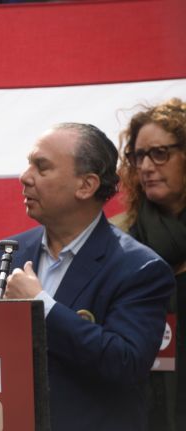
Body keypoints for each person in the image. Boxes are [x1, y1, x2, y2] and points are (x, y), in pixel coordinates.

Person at [0, 122, 175, 431]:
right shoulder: (2, 254)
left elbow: (125, 363)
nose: (24, 177)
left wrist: (41, 307)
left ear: (86, 186)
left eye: (41, 168)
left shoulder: (141, 269)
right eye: (29, 164)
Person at [113, 98, 186, 431]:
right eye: (138, 156)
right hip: (135, 409)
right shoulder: (116, 237)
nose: (145, 166)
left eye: (159, 153)